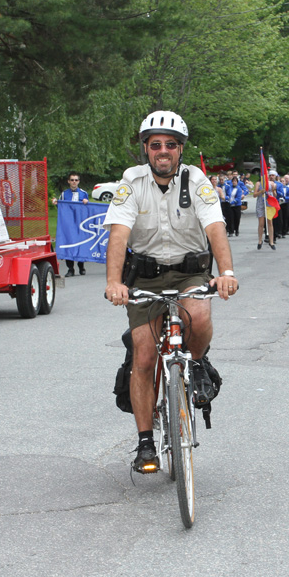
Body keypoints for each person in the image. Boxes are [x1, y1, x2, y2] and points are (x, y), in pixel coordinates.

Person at [103, 110, 239, 474]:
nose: (163, 151)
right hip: (145, 276)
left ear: (181, 150)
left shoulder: (196, 180)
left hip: (190, 271)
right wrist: (114, 283)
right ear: (146, 149)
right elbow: (118, 234)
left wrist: (225, 273)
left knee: (199, 316)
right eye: (156, 145)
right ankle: (146, 441)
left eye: (171, 145)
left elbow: (215, 228)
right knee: (144, 357)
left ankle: (195, 362)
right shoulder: (131, 181)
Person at [52, 172, 90, 277]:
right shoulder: (64, 194)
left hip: (79, 224)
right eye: (72, 180)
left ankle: (81, 267)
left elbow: (88, 209)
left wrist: (86, 202)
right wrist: (56, 203)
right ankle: (70, 269)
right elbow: (61, 208)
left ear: (79, 181)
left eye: (76, 180)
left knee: (79, 245)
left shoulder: (83, 193)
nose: (74, 182)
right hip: (68, 224)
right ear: (69, 181)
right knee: (68, 244)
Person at [254, 171, 278, 250]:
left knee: (270, 222)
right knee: (261, 223)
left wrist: (274, 190)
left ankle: (271, 241)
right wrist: (261, 191)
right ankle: (260, 240)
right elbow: (254, 195)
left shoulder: (272, 183)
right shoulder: (258, 183)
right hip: (261, 203)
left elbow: (275, 195)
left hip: (269, 204)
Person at [223, 170, 248, 236]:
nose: (234, 182)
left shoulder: (239, 187)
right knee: (230, 218)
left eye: (235, 181)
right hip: (230, 205)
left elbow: (243, 193)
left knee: (237, 218)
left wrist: (243, 195)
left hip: (236, 204)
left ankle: (236, 230)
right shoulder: (228, 186)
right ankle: (231, 231)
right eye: (233, 181)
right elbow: (227, 193)